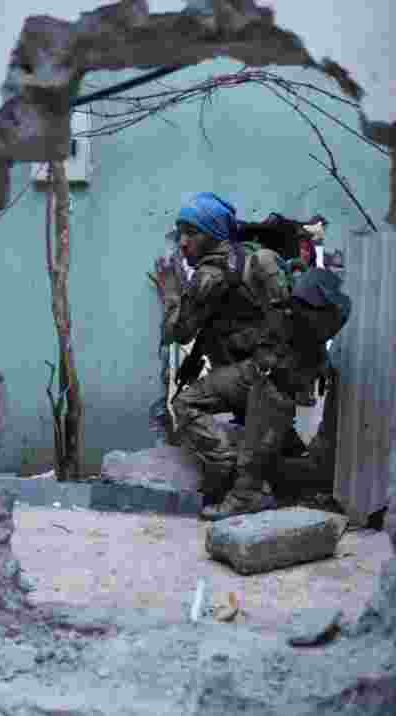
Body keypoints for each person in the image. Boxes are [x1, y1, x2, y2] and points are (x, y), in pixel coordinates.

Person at [150, 192, 299, 520]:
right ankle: (286, 472)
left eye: (192, 233)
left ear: (213, 234)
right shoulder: (254, 258)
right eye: (181, 234)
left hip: (259, 372)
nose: (183, 243)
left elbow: (177, 333)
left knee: (185, 404)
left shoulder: (210, 274)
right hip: (282, 372)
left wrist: (172, 292)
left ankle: (231, 470)